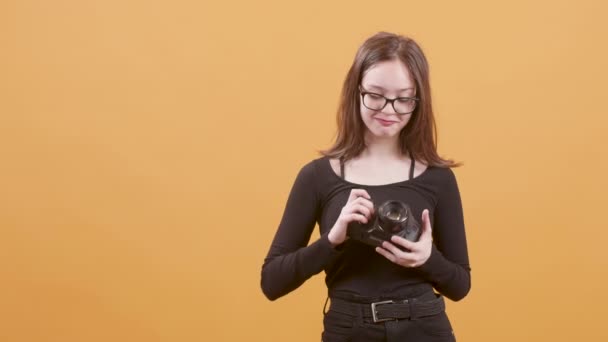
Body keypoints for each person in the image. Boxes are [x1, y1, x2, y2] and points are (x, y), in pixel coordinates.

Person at [260, 31, 471, 342]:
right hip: (349, 329)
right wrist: (333, 240)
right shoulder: (317, 177)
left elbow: (460, 285)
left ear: (418, 101)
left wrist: (427, 258)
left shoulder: (438, 178)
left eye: (403, 99)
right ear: (355, 91)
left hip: (424, 326)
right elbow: (272, 282)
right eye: (375, 95)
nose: (388, 110)